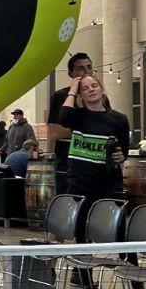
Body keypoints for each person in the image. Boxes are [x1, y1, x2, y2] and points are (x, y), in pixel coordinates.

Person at [59, 74, 146, 289]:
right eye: (86, 88)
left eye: (94, 85)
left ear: (101, 88)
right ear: (80, 94)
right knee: (81, 238)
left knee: (121, 236)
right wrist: (72, 89)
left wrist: (122, 155)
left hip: (109, 186)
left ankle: (137, 287)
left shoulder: (118, 119)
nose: (91, 90)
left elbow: (123, 151)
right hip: (80, 186)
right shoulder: (78, 117)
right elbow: (63, 116)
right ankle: (88, 286)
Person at [48, 53, 109, 193]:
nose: (86, 71)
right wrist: (87, 125)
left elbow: (107, 128)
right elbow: (54, 133)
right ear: (71, 73)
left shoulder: (102, 98)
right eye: (81, 68)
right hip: (68, 165)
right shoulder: (61, 96)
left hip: (96, 164)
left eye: (89, 67)